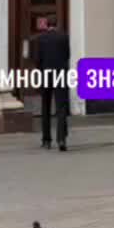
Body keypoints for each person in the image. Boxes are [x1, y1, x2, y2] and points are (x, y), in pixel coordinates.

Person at [36, 16, 70, 151]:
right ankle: (61, 139)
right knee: (61, 107)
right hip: (60, 74)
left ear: (47, 24)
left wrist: (42, 70)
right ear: (57, 24)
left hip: (46, 75)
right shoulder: (64, 37)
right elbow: (67, 55)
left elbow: (38, 59)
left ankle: (46, 140)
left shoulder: (41, 38)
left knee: (45, 107)